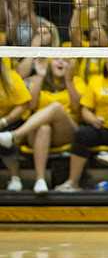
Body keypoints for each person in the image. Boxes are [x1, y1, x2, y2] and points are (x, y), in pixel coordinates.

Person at [54, 57, 108, 192]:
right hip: (101, 126)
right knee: (81, 134)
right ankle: (72, 182)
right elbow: (85, 109)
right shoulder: (96, 81)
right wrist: (93, 119)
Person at [0, 58, 84, 195]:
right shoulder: (36, 79)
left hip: (66, 132)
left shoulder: (77, 81)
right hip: (38, 133)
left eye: (65, 60)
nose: (61, 63)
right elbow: (31, 106)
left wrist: (68, 81)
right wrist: (40, 76)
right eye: (57, 59)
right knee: (44, 128)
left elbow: (77, 108)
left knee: (56, 108)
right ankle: (40, 180)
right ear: (50, 62)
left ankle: (14, 136)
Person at [0, 59, 32, 192]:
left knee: (2, 138)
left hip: (12, 120)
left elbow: (24, 104)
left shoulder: (12, 76)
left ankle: (15, 177)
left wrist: (4, 121)